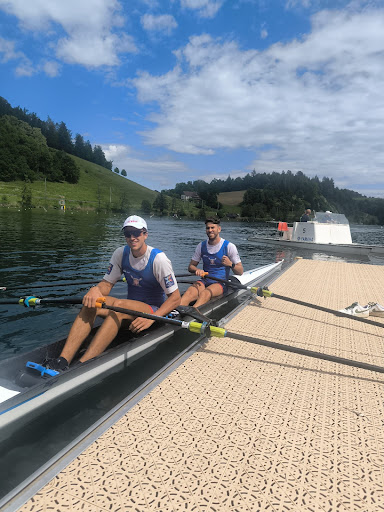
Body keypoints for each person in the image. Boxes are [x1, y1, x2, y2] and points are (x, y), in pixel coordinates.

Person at [46, 215, 181, 370]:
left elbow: (175, 298)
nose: (132, 237)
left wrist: (153, 318)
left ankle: (82, 365)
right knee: (92, 303)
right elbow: (107, 284)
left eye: (136, 233)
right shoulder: (120, 254)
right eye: (128, 233)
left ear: (145, 234)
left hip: (153, 310)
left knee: (118, 307)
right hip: (130, 308)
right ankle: (63, 361)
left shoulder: (159, 260)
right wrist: (95, 290)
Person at [180, 217, 243, 309]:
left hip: (221, 283)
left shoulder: (229, 246)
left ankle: (192, 313)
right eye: (207, 228)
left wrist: (231, 264)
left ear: (219, 229)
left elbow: (240, 271)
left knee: (206, 293)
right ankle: (174, 313)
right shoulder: (201, 246)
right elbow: (191, 267)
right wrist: (197, 270)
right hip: (205, 279)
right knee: (189, 292)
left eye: (212, 227)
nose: (210, 230)